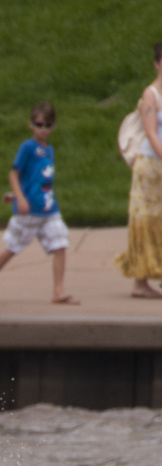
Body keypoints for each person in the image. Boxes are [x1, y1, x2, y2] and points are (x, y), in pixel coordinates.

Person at [0, 102, 79, 306]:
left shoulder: (49, 150)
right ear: (30, 124)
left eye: (47, 125)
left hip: (48, 209)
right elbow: (14, 173)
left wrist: (17, 193)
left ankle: (58, 291)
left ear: (53, 126)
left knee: (60, 245)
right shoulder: (27, 147)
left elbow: (35, 180)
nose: (43, 129)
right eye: (39, 124)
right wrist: (20, 197)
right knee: (12, 247)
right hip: (29, 211)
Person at [117, 44, 162, 298]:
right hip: (150, 166)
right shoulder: (151, 94)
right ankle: (140, 282)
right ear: (157, 64)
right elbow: (150, 132)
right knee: (146, 219)